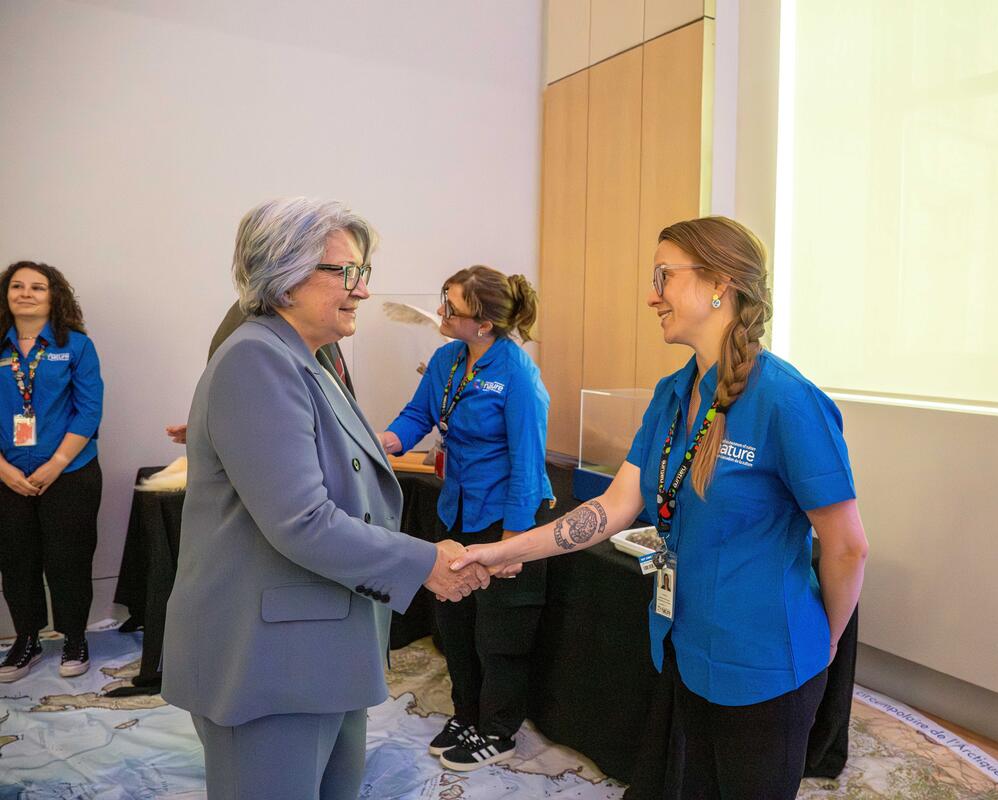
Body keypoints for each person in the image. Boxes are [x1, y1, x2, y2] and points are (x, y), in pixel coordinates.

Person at [452, 217, 870, 799]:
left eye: (663, 276)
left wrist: (823, 647)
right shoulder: (674, 393)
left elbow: (848, 546)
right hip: (685, 646)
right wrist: (505, 549)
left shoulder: (789, 403)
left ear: (719, 283)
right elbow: (615, 505)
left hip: (766, 664)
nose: (652, 295)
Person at [160, 197, 492, 800]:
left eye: (362, 272)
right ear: (282, 277)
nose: (361, 290)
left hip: (317, 650)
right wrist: (425, 564)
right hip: (268, 662)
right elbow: (302, 521)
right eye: (345, 272)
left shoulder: (304, 359)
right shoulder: (258, 358)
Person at [378, 265, 553, 770]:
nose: (440, 312)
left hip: (506, 519)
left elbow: (528, 458)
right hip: (456, 509)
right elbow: (419, 415)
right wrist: (387, 441)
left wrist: (515, 541)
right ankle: (467, 714)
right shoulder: (447, 359)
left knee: (498, 634)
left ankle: (497, 732)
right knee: (454, 622)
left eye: (451, 307)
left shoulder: (518, 374)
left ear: (484, 323)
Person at [0, 262, 104, 683]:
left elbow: (89, 409)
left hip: (70, 473)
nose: (26, 293)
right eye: (17, 286)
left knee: (69, 560)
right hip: (7, 477)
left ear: (53, 296)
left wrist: (56, 464)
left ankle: (75, 638)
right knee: (16, 561)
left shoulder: (76, 346)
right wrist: (3, 470)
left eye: (37, 287)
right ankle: (26, 640)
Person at [164, 302, 353, 444]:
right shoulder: (253, 324)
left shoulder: (317, 324)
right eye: (342, 270)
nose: (360, 289)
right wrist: (221, 429)